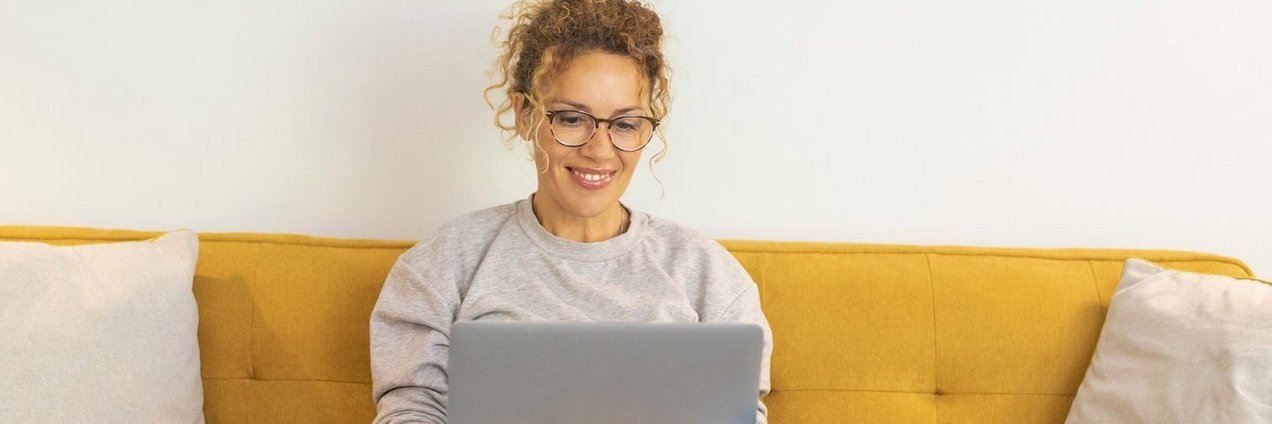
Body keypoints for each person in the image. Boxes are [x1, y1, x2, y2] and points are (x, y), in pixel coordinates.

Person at [369, 1, 772, 423]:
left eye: (625, 123)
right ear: (525, 115)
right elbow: (412, 411)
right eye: (571, 118)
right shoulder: (442, 265)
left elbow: (740, 414)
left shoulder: (707, 275)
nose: (599, 150)